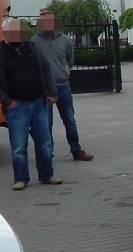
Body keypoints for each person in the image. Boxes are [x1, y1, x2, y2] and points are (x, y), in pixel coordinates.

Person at [0, 17, 63, 191]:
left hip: (38, 102)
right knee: (19, 146)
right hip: (16, 106)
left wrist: (51, 92)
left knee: (44, 142)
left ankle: (46, 175)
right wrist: (6, 101)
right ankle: (21, 179)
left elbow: (46, 69)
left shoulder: (32, 47)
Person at [32, 9, 94, 161]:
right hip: (44, 90)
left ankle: (76, 150)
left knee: (70, 120)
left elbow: (70, 61)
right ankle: (47, 154)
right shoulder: (33, 42)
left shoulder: (65, 40)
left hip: (63, 86)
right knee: (46, 123)